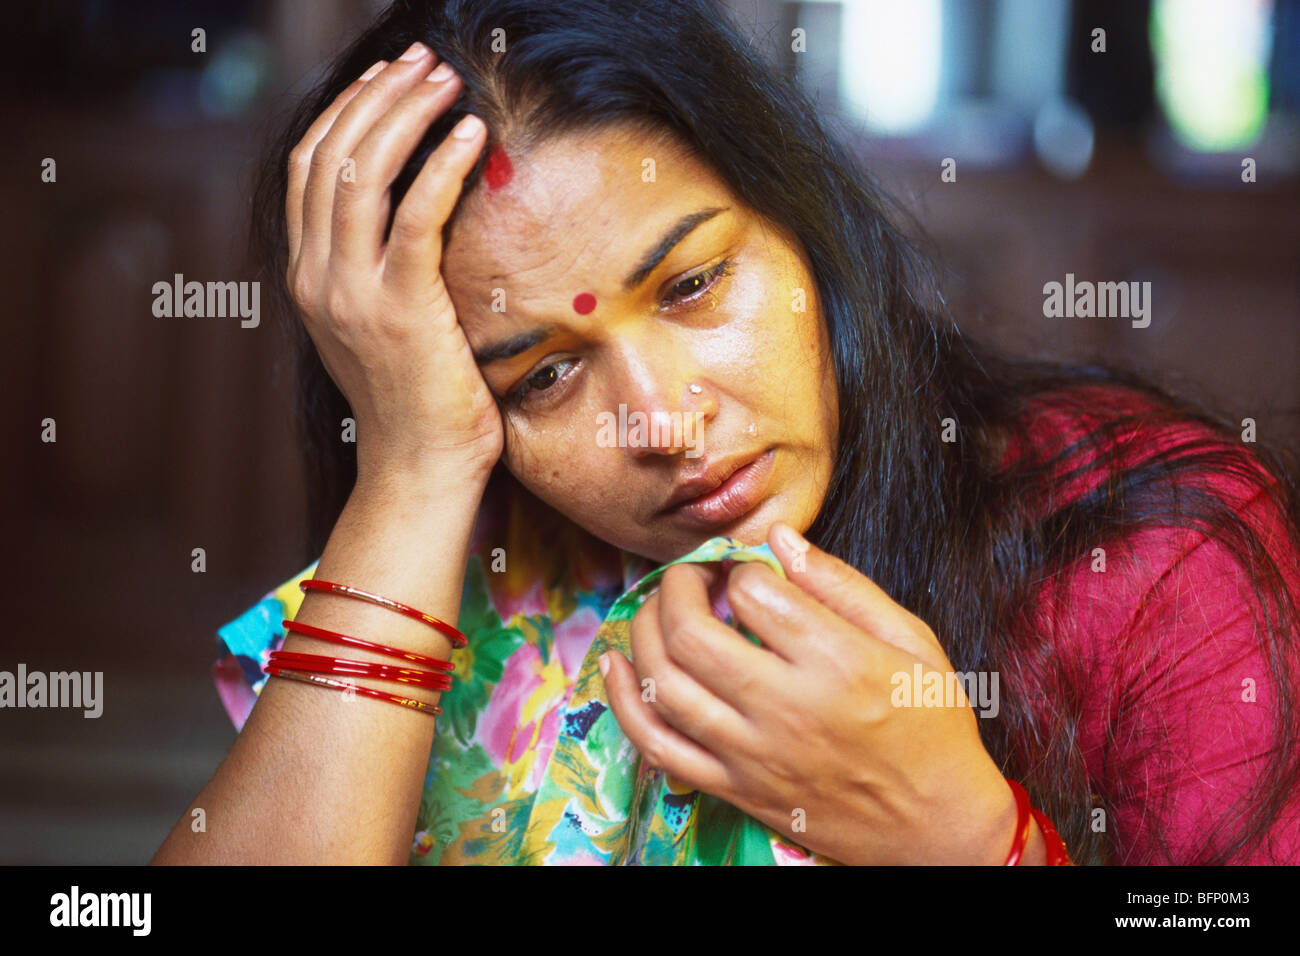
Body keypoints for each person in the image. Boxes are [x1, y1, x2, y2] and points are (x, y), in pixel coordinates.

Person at [152, 0, 1300, 865]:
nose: (661, 419)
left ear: (805, 221)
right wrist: (410, 472)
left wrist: (970, 837)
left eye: (695, 283)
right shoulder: (475, 561)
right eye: (543, 373)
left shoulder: (1139, 544)